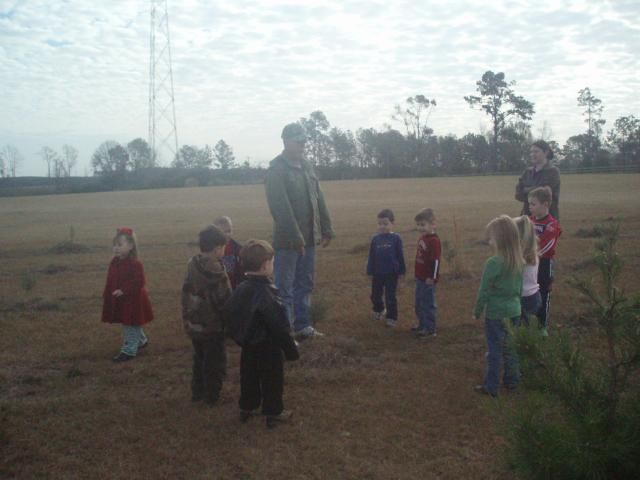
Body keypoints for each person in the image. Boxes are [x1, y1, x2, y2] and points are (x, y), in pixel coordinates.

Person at [265, 122, 335, 340]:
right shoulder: (276, 170)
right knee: (284, 288)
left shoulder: (307, 166)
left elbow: (318, 197)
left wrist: (326, 227)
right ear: (285, 141)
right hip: (288, 242)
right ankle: (286, 333)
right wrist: (296, 238)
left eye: (304, 141)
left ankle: (303, 326)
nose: (303, 145)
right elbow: (280, 208)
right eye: (298, 141)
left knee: (305, 284)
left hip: (310, 239)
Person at [224, 240, 300, 429]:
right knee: (272, 380)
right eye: (273, 262)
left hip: (248, 346)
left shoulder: (240, 289)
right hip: (269, 347)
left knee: (248, 376)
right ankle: (273, 412)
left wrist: (239, 337)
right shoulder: (268, 294)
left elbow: (230, 314)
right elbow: (279, 327)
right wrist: (291, 350)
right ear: (266, 264)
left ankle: (247, 407)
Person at [472, 215, 524, 397]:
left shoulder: (493, 263)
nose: (489, 241)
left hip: (495, 314)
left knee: (494, 350)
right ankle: (512, 380)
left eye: (492, 237)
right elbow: (520, 288)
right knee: (511, 347)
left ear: (501, 239)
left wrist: (477, 311)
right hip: (515, 311)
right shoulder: (519, 261)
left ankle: (491, 386)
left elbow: (483, 291)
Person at [181, 225, 232, 405]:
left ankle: (197, 392)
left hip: (194, 323)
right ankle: (212, 397)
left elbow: (186, 293)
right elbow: (224, 299)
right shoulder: (218, 271)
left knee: (199, 359)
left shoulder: (191, 265)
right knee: (215, 363)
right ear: (218, 248)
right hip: (213, 326)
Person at [101, 227, 154, 362]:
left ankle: (129, 350)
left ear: (130, 246)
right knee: (130, 322)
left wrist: (123, 290)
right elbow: (111, 278)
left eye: (120, 245)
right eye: (114, 245)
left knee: (130, 323)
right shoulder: (115, 262)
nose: (116, 248)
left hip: (134, 300)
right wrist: (108, 291)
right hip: (122, 299)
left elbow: (139, 282)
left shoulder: (135, 264)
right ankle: (141, 341)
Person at [528, 186, 562, 336]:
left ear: (546, 204)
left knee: (544, 292)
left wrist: (532, 256)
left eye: (533, 204)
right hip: (529, 262)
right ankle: (527, 319)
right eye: (529, 204)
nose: (530, 207)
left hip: (544, 264)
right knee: (529, 290)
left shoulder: (551, 225)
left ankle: (542, 326)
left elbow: (547, 246)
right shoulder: (529, 221)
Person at [366, 209, 406, 327]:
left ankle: (392, 317)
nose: (382, 226)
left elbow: (400, 256)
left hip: (391, 274)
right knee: (375, 295)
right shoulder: (375, 239)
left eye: (385, 224)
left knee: (390, 297)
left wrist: (402, 272)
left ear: (392, 224)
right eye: (379, 224)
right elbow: (371, 256)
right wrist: (369, 271)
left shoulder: (396, 239)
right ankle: (379, 310)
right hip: (378, 273)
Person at [413, 208, 441, 337]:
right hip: (420, 277)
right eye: (418, 225)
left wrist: (432, 277)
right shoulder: (423, 238)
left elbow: (435, 261)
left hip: (428, 279)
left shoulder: (434, 241)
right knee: (419, 302)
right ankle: (422, 325)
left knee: (428, 304)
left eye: (423, 225)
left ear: (433, 224)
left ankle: (430, 329)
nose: (420, 228)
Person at [515, 140, 561, 220]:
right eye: (531, 152)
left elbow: (542, 194)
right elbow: (518, 194)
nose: (532, 154)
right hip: (527, 220)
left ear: (546, 152)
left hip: (547, 222)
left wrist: (526, 190)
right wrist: (533, 191)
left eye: (536, 151)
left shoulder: (553, 172)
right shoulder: (527, 172)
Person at [513, 215, 541, 325]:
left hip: (521, 299)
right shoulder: (534, 255)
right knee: (529, 330)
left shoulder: (517, 258)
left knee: (517, 331)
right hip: (534, 297)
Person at [213, 216, 244, 289]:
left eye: (229, 231)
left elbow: (242, 272)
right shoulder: (210, 250)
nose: (227, 234)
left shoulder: (238, 249)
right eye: (224, 232)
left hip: (233, 288)